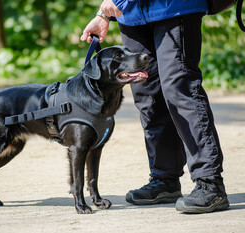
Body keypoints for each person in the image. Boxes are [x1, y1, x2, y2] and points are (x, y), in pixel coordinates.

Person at [80, 0, 229, 213]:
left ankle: (210, 183)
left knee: (180, 88)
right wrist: (103, 15)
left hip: (173, 7)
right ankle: (164, 178)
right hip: (131, 15)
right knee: (147, 95)